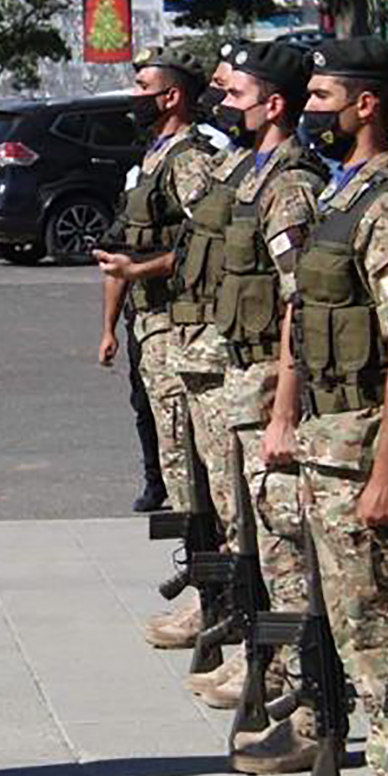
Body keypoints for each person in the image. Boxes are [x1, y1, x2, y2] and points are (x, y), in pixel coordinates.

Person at [267, 36, 388, 776]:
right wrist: (288, 420)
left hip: (363, 450)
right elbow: (303, 317)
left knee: (386, 634)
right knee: (353, 628)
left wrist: (387, 466)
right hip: (327, 443)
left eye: (325, 97)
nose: (313, 112)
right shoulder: (344, 196)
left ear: (367, 104)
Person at [198, 41, 330, 742]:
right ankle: (279, 675)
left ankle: (314, 707)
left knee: (289, 558)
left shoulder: (289, 185)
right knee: (261, 549)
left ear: (274, 105)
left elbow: (299, 306)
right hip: (242, 384)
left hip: (268, 395)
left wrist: (284, 409)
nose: (227, 107)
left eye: (239, 97)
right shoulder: (254, 173)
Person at [92, 44, 231, 649]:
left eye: (142, 87)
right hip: (152, 336)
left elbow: (211, 247)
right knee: (179, 478)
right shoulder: (153, 158)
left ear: (171, 96)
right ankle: (207, 595)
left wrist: (142, 269)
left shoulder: (190, 162)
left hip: (181, 334)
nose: (133, 99)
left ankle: (218, 603)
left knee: (197, 479)